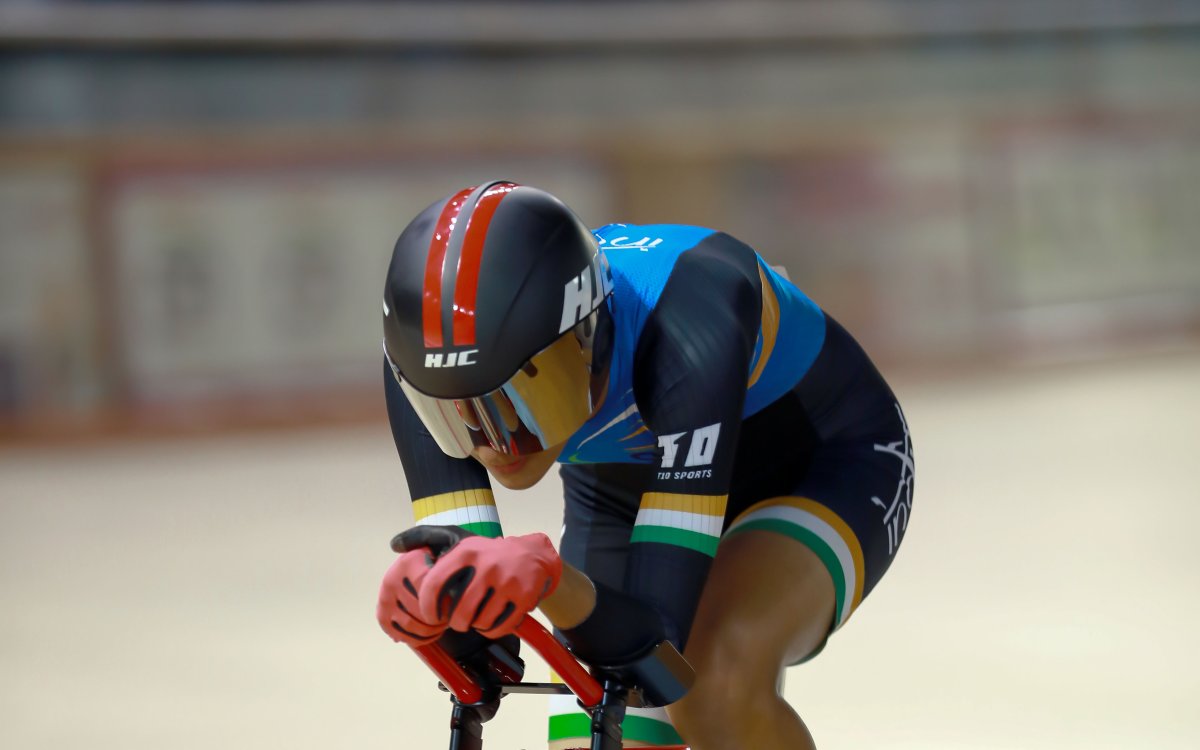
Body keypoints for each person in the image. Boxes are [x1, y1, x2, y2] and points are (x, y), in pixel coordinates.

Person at [376, 181, 915, 750]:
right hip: (624, 490)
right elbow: (488, 642)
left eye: (524, 403)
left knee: (713, 685)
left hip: (818, 462)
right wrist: (432, 611)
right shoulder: (425, 357)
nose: (495, 445)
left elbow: (659, 647)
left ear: (587, 340)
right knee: (595, 736)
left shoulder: (693, 311)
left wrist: (550, 580)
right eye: (458, 418)